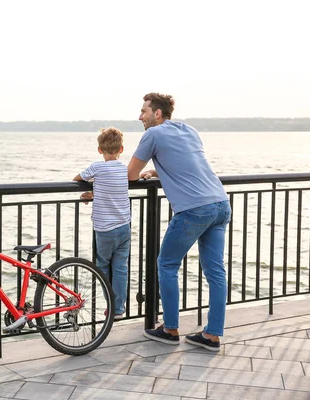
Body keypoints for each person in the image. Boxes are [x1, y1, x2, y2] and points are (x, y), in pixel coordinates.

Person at [128, 93, 231, 351]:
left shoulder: (153, 134)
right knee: (216, 272)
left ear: (158, 114)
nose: (140, 117)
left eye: (144, 111)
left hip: (193, 210)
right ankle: (212, 335)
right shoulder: (190, 130)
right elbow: (187, 166)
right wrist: (158, 170)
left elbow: (130, 174)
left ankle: (170, 328)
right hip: (220, 203)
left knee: (167, 263)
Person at [74, 127, 131, 319]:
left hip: (104, 229)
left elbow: (77, 179)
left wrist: (91, 190)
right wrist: (96, 193)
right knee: (121, 267)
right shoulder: (125, 169)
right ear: (121, 149)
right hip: (124, 226)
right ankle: (119, 309)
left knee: (103, 265)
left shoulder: (97, 167)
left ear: (99, 150)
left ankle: (110, 304)